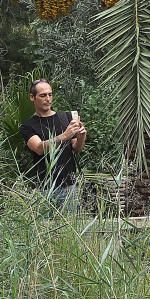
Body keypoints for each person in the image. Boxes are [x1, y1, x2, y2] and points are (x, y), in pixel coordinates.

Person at [18, 78, 86, 210]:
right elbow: (38, 148)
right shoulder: (27, 126)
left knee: (70, 228)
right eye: (43, 95)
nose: (47, 99)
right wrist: (64, 135)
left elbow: (76, 148)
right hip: (44, 188)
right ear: (32, 97)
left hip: (69, 186)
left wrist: (81, 136)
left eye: (50, 94)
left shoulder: (65, 117)